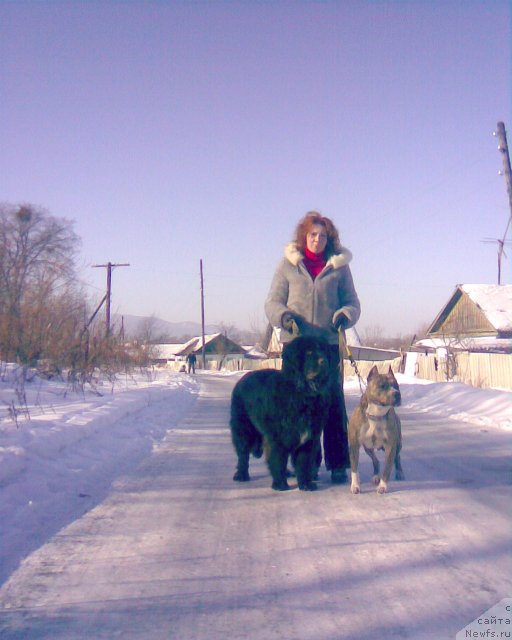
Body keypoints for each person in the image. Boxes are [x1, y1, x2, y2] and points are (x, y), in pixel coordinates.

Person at [265, 210, 361, 483]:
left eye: (321, 235)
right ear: (303, 236)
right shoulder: (287, 265)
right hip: (296, 347)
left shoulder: (339, 267)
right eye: (312, 234)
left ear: (328, 239)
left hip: (328, 346)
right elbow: (272, 302)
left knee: (331, 404)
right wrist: (284, 317)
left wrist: (345, 314)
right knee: (296, 407)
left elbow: (353, 302)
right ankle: (302, 462)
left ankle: (338, 463)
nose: (316, 240)